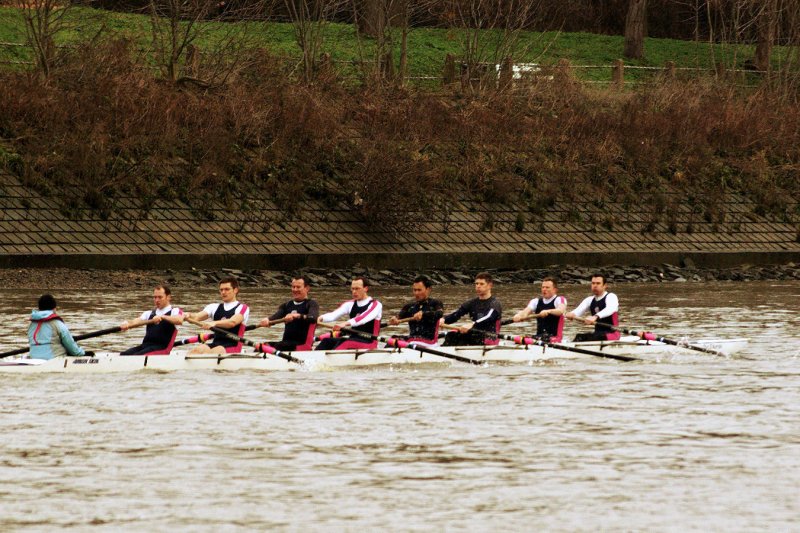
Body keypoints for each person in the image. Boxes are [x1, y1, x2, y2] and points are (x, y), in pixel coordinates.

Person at [186, 277, 250, 354]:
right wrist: (187, 315)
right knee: (197, 350)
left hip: (234, 346)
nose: (223, 292)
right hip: (216, 344)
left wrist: (214, 323)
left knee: (217, 350)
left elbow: (232, 322)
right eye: (221, 290)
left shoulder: (242, 307)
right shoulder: (213, 307)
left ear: (235, 290)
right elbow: (196, 317)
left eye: (227, 289)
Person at [316, 277, 382, 350]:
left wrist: (345, 323)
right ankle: (311, 359)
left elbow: (363, 318)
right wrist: (320, 318)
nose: (354, 292)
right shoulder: (350, 304)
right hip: (353, 339)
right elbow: (333, 315)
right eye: (352, 289)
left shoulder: (376, 304)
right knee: (326, 341)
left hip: (369, 342)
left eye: (357, 289)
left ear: (365, 288)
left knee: (345, 342)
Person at [440, 272, 503, 346]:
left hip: (489, 338)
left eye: (481, 284)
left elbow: (488, 318)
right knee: (451, 335)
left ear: (490, 285)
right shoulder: (471, 303)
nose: (478, 286)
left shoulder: (495, 303)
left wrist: (472, 324)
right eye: (476, 284)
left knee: (462, 339)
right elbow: (457, 314)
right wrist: (443, 320)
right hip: (474, 335)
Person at [259, 275, 319, 351]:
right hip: (286, 344)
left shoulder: (311, 304)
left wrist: (297, 316)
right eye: (293, 287)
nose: (295, 289)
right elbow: (276, 316)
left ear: (307, 288)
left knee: (277, 346)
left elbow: (313, 318)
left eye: (298, 287)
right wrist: (267, 320)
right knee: (261, 346)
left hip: (303, 346)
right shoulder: (287, 305)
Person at [119, 284, 184, 355]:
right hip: (145, 346)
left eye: (160, 297)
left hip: (162, 348)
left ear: (168, 297)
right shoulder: (149, 313)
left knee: (138, 356)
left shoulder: (175, 311)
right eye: (155, 297)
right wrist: (126, 323)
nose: (157, 300)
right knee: (124, 354)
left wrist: (162, 317)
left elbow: (179, 320)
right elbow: (135, 321)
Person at [27, 294, 91, 360]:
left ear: (39, 308)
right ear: (54, 308)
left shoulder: (31, 325)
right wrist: (82, 353)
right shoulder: (57, 323)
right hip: (53, 359)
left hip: (33, 358)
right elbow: (71, 346)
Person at [387, 275, 444, 346]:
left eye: (419, 290)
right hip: (413, 340)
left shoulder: (435, 303)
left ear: (428, 289)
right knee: (392, 340)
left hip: (429, 342)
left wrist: (423, 314)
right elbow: (398, 317)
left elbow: (439, 313)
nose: (416, 293)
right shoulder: (409, 306)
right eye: (415, 290)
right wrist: (394, 319)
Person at [565, 273, 621, 342]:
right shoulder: (589, 300)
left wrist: (595, 317)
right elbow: (578, 311)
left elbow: (610, 309)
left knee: (591, 338)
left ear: (605, 286)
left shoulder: (611, 296)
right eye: (593, 283)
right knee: (579, 336)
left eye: (598, 283)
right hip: (598, 334)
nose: (595, 286)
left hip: (613, 334)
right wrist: (570, 314)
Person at [511, 277, 567, 342]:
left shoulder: (560, 299)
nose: (544, 289)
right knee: (518, 339)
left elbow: (560, 311)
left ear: (555, 290)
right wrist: (519, 315)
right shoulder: (536, 301)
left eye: (547, 287)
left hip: (555, 338)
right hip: (540, 337)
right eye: (543, 287)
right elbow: (526, 311)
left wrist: (548, 311)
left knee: (526, 341)